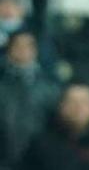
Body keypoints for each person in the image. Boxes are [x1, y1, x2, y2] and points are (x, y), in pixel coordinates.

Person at [20, 82, 89, 170]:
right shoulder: (40, 145)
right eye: (72, 102)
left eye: (84, 102)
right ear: (61, 107)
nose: (78, 108)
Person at [0, 30, 59, 168]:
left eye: (28, 46)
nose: (22, 50)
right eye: (17, 46)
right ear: (9, 50)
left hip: (40, 160)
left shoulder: (50, 87)